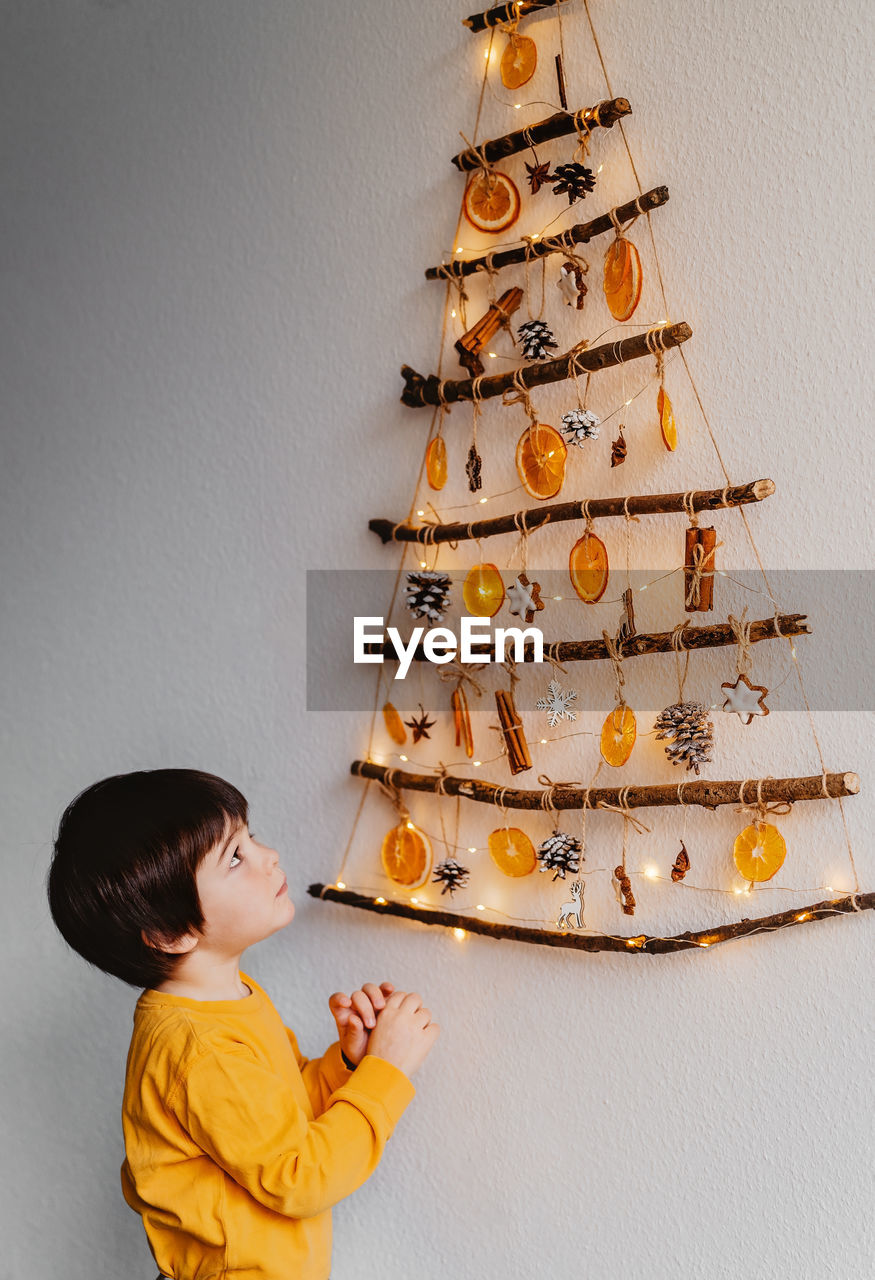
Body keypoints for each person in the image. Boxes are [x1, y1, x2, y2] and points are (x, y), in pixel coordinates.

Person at [46, 768, 438, 1280]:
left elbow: (282, 1119)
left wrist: (348, 1063)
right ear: (169, 932)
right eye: (235, 857)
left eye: (249, 837)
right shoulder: (200, 1047)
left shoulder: (230, 999)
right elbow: (299, 1177)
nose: (268, 854)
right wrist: (388, 1071)